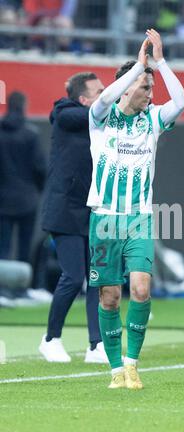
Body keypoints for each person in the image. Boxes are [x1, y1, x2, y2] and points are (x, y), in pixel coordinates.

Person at [87, 29, 184, 389]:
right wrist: (138, 69)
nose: (151, 93)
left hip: (138, 218)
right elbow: (107, 98)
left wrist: (158, 63)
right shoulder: (101, 119)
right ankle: (115, 370)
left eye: (151, 88)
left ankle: (132, 364)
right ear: (128, 88)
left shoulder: (153, 121)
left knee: (142, 289)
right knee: (110, 296)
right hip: (104, 218)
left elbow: (182, 101)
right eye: (147, 87)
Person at [40, 72, 108, 364]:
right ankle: (50, 339)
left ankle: (96, 344)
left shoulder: (99, 122)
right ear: (83, 99)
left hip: (90, 209)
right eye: (100, 92)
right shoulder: (66, 114)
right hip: (64, 210)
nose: (106, 95)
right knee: (73, 276)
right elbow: (91, 115)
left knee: (96, 278)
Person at [0, 91, 46, 264]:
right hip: (28, 200)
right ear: (24, 106)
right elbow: (40, 168)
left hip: (2, 200)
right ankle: (22, 287)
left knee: (2, 247)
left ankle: (2, 287)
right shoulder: (31, 134)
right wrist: (38, 190)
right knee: (24, 246)